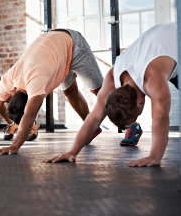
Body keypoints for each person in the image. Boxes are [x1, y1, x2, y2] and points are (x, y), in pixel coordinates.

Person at [0, 28, 103, 155]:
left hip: (73, 44)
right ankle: (92, 128)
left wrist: (14, 146)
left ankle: (128, 125)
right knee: (70, 92)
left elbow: (29, 115)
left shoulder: (36, 81)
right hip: (55, 52)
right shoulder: (9, 80)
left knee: (101, 91)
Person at [45, 22, 177, 167]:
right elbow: (94, 118)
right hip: (164, 43)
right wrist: (72, 152)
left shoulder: (153, 79)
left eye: (136, 116)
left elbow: (160, 117)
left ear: (139, 105)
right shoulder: (113, 77)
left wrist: (154, 156)